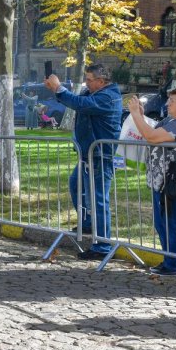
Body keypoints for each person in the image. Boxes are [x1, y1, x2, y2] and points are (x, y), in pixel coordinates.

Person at [45, 64, 123, 259]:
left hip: (99, 155)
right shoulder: (94, 93)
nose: (86, 83)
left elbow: (81, 104)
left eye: (89, 79)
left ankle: (102, 245)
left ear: (102, 81)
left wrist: (58, 89)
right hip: (87, 154)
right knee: (75, 185)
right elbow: (78, 101)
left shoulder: (107, 96)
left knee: (98, 199)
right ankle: (88, 224)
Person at [126, 86, 176, 277]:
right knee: (162, 222)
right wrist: (141, 116)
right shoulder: (171, 120)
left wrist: (135, 115)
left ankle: (174, 263)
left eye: (173, 101)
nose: (168, 104)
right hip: (162, 180)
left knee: (173, 222)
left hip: (175, 182)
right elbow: (150, 131)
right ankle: (168, 259)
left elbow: (152, 137)